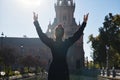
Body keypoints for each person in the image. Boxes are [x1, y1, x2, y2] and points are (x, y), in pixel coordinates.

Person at [33, 12, 89, 80]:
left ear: (55, 34)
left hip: (53, 69)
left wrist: (36, 22)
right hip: (63, 69)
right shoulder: (66, 43)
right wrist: (84, 23)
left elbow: (41, 35)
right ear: (63, 34)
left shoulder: (52, 43)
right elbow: (77, 35)